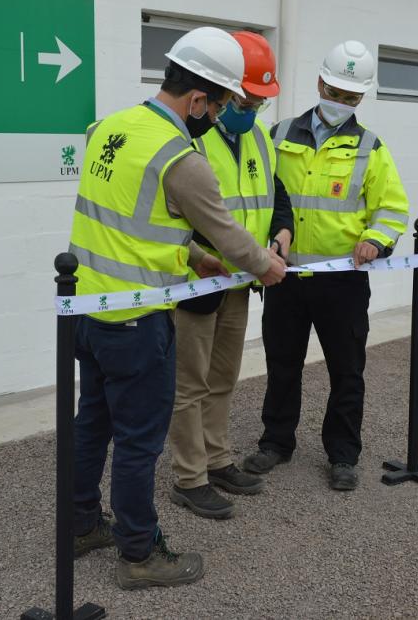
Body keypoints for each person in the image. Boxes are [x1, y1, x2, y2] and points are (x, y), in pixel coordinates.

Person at [67, 26, 287, 589]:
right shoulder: (181, 158)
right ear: (197, 100)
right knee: (141, 441)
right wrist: (264, 264)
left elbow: (128, 220)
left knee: (93, 423)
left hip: (88, 312)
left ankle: (81, 523)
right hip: (136, 323)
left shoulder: (109, 127)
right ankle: (140, 554)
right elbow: (228, 232)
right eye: (217, 107)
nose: (216, 117)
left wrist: (190, 256)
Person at [242, 40, 410, 491]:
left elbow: (392, 209)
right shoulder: (277, 135)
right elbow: (259, 198)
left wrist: (376, 240)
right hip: (286, 276)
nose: (339, 102)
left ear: (361, 97)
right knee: (282, 364)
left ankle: (342, 454)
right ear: (319, 83)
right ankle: (276, 443)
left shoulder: (371, 148)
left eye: (350, 97)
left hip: (342, 282)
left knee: (346, 369)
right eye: (334, 91)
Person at [167, 32, 294, 520]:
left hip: (240, 284)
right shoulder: (189, 137)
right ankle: (189, 476)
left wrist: (280, 237)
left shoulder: (259, 136)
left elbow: (276, 197)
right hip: (199, 280)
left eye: (261, 102)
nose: (253, 109)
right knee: (189, 384)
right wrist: (201, 255)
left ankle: (217, 458)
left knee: (222, 378)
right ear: (221, 90)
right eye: (246, 99)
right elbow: (170, 216)